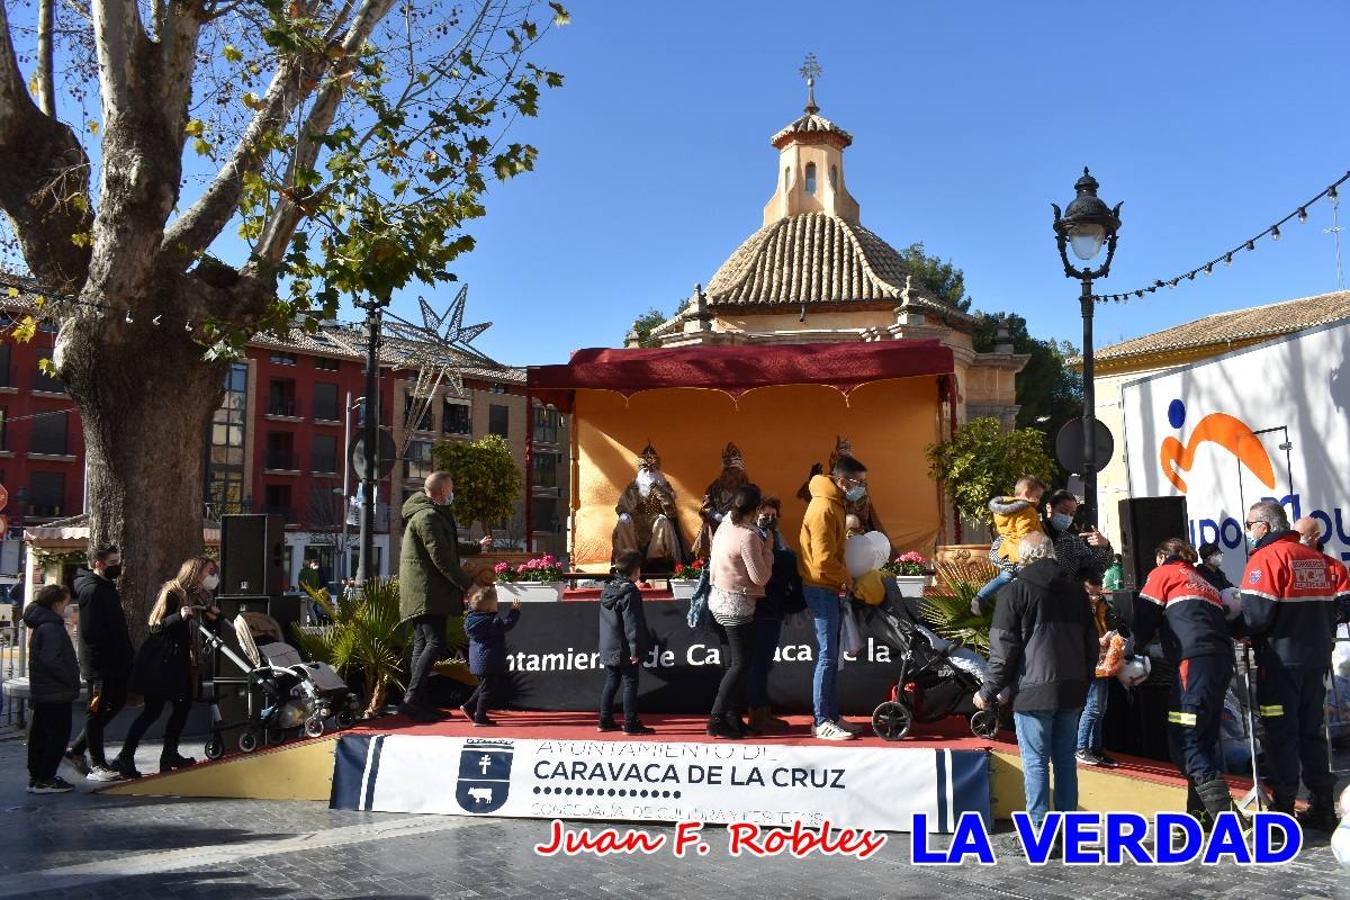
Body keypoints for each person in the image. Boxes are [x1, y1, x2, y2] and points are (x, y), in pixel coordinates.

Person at [975, 533, 1097, 829]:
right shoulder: (1077, 591)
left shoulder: (1014, 592)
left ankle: (1039, 830)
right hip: (1070, 689)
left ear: (1023, 557)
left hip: (1032, 691)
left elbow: (1003, 651)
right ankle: (1069, 831)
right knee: (1066, 762)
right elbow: (1091, 644)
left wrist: (987, 691)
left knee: (1035, 762)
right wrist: (1083, 679)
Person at [1241, 500, 1343, 831]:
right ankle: (1323, 805)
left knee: (1280, 735)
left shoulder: (1266, 559)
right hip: (1315, 661)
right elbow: (1332, 613)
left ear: (1264, 526)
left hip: (1280, 664)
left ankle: (1283, 810)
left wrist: (1232, 626)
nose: (1249, 532)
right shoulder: (1316, 560)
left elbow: (1256, 617)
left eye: (1249, 525)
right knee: (1312, 732)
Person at [1131, 538, 1237, 825]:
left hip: (1193, 661)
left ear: (1163, 555)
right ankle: (1200, 814)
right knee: (1203, 738)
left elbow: (1143, 620)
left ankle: (1227, 818)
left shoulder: (1163, 573)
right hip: (1220, 661)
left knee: (1184, 739)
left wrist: (1130, 647)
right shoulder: (1203, 579)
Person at [398, 471, 491, 723]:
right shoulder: (427, 517)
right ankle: (411, 700)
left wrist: (476, 547)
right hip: (427, 592)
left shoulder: (428, 514)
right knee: (435, 642)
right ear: (441, 492)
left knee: (423, 644)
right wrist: (468, 585)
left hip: (426, 592)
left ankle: (419, 701)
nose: (452, 494)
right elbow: (442, 558)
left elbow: (447, 544)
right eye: (450, 489)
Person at [117, 556, 221, 778]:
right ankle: (125, 756)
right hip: (162, 661)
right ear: (195, 572)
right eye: (208, 572)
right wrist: (178, 616)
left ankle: (170, 754)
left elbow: (201, 625)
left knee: (183, 706)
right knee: (152, 710)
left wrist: (213, 617)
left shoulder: (199, 595)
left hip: (182, 659)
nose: (211, 577)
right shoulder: (172, 592)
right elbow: (156, 626)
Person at [799, 456, 869, 741]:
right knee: (827, 656)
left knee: (831, 656)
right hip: (820, 586)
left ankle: (831, 714)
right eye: (859, 483)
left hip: (828, 585)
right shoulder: (824, 507)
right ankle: (821, 720)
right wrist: (848, 579)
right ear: (843, 481)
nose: (862, 488)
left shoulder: (836, 503)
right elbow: (824, 560)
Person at [706, 483, 773, 739]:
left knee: (733, 665)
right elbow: (760, 577)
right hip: (737, 606)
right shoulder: (748, 536)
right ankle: (716, 717)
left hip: (718, 601)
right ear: (755, 509)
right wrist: (768, 549)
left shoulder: (726, 525)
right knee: (741, 664)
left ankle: (733, 717)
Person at [65, 545, 134, 783]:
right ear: (98, 563)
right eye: (113, 561)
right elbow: (94, 632)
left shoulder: (105, 588)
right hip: (101, 664)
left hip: (115, 662)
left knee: (117, 702)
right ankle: (97, 763)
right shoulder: (93, 591)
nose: (118, 565)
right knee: (96, 710)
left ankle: (77, 749)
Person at [747, 497, 802, 733]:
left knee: (763, 664)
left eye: (773, 515)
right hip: (760, 609)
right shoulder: (752, 537)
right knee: (757, 664)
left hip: (774, 608)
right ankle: (756, 715)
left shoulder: (777, 538)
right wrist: (786, 561)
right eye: (764, 514)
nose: (769, 519)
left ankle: (762, 711)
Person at [24, 584, 80, 794]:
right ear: (57, 603)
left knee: (41, 734)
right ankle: (45, 777)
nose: (68, 607)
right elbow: (51, 660)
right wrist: (69, 679)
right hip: (55, 691)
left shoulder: (43, 625)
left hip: (46, 691)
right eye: (66, 603)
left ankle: (38, 776)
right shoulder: (51, 627)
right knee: (56, 735)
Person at [972, 476, 1048, 615]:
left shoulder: (1003, 510)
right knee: (1034, 581)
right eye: (1037, 496)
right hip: (1023, 554)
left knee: (1005, 576)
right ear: (1026, 493)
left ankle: (981, 597)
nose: (1039, 500)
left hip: (1008, 550)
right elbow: (1026, 533)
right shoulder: (1026, 510)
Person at [597, 549, 654, 735]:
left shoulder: (607, 589)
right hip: (624, 647)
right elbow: (632, 623)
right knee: (630, 682)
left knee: (611, 681)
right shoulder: (630, 592)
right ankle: (630, 722)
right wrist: (635, 649)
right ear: (636, 570)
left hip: (609, 644)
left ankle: (604, 720)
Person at [460, 566, 521, 727]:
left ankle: (469, 706)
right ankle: (480, 716)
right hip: (490, 660)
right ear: (489, 607)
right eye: (495, 604)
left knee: (485, 686)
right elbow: (507, 624)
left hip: (477, 661)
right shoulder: (492, 621)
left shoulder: (472, 619)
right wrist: (514, 611)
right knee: (488, 689)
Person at [1076, 576, 1125, 768]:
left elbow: (1114, 622)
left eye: (1098, 592)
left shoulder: (1103, 605)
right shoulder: (1078, 607)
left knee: (1101, 708)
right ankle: (1081, 748)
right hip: (1088, 660)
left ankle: (1095, 748)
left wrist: (1113, 633)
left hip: (1104, 660)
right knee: (1093, 707)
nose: (1095, 596)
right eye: (1091, 593)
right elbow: (1076, 635)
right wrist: (1097, 641)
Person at [613, 442, 685, 568]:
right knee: (623, 522)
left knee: (663, 521)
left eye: (651, 470)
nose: (648, 473)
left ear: (657, 470)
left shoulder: (664, 486)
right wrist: (624, 513)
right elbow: (621, 506)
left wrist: (658, 489)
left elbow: (671, 512)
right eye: (645, 470)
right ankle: (628, 559)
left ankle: (656, 560)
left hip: (656, 520)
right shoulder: (633, 487)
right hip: (636, 523)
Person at [692, 442, 751, 561]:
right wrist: (717, 516)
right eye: (728, 472)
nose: (731, 475)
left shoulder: (747, 488)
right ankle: (708, 562)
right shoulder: (714, 487)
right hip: (716, 523)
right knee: (707, 527)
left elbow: (752, 508)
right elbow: (706, 506)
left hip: (739, 522)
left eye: (734, 471)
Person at [1043, 490, 1114, 582]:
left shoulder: (1072, 542)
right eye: (1063, 511)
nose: (1067, 517)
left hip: (1063, 593)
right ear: (1049, 507)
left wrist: (1106, 546)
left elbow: (1095, 568)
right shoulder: (1033, 533)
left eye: (1072, 514)